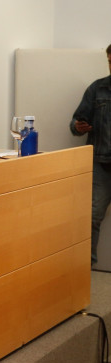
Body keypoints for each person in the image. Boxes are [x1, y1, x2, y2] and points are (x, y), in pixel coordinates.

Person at [70, 43, 111, 265]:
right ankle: (85, 271)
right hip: (100, 164)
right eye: (110, 62)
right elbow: (75, 122)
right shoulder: (97, 89)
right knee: (92, 217)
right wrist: (78, 127)